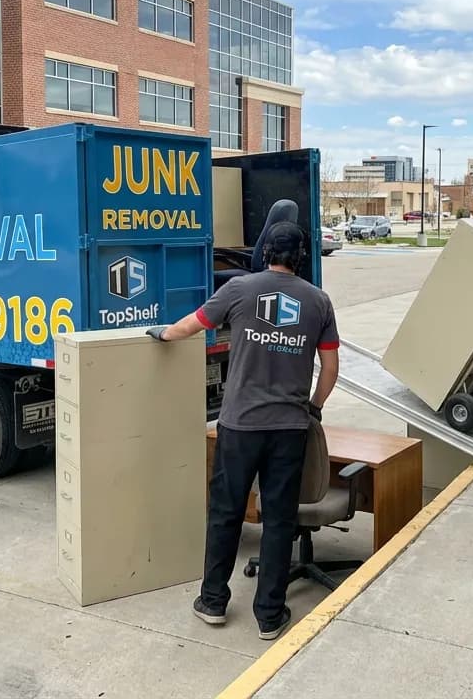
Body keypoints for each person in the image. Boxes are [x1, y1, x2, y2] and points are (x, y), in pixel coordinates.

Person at [147, 220, 340, 640]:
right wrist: (314, 408)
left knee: (226, 513)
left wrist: (161, 333)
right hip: (289, 427)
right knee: (279, 520)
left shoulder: (238, 289)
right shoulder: (318, 301)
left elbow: (190, 326)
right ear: (302, 257)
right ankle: (270, 615)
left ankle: (213, 601)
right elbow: (330, 370)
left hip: (239, 426)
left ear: (265, 252)